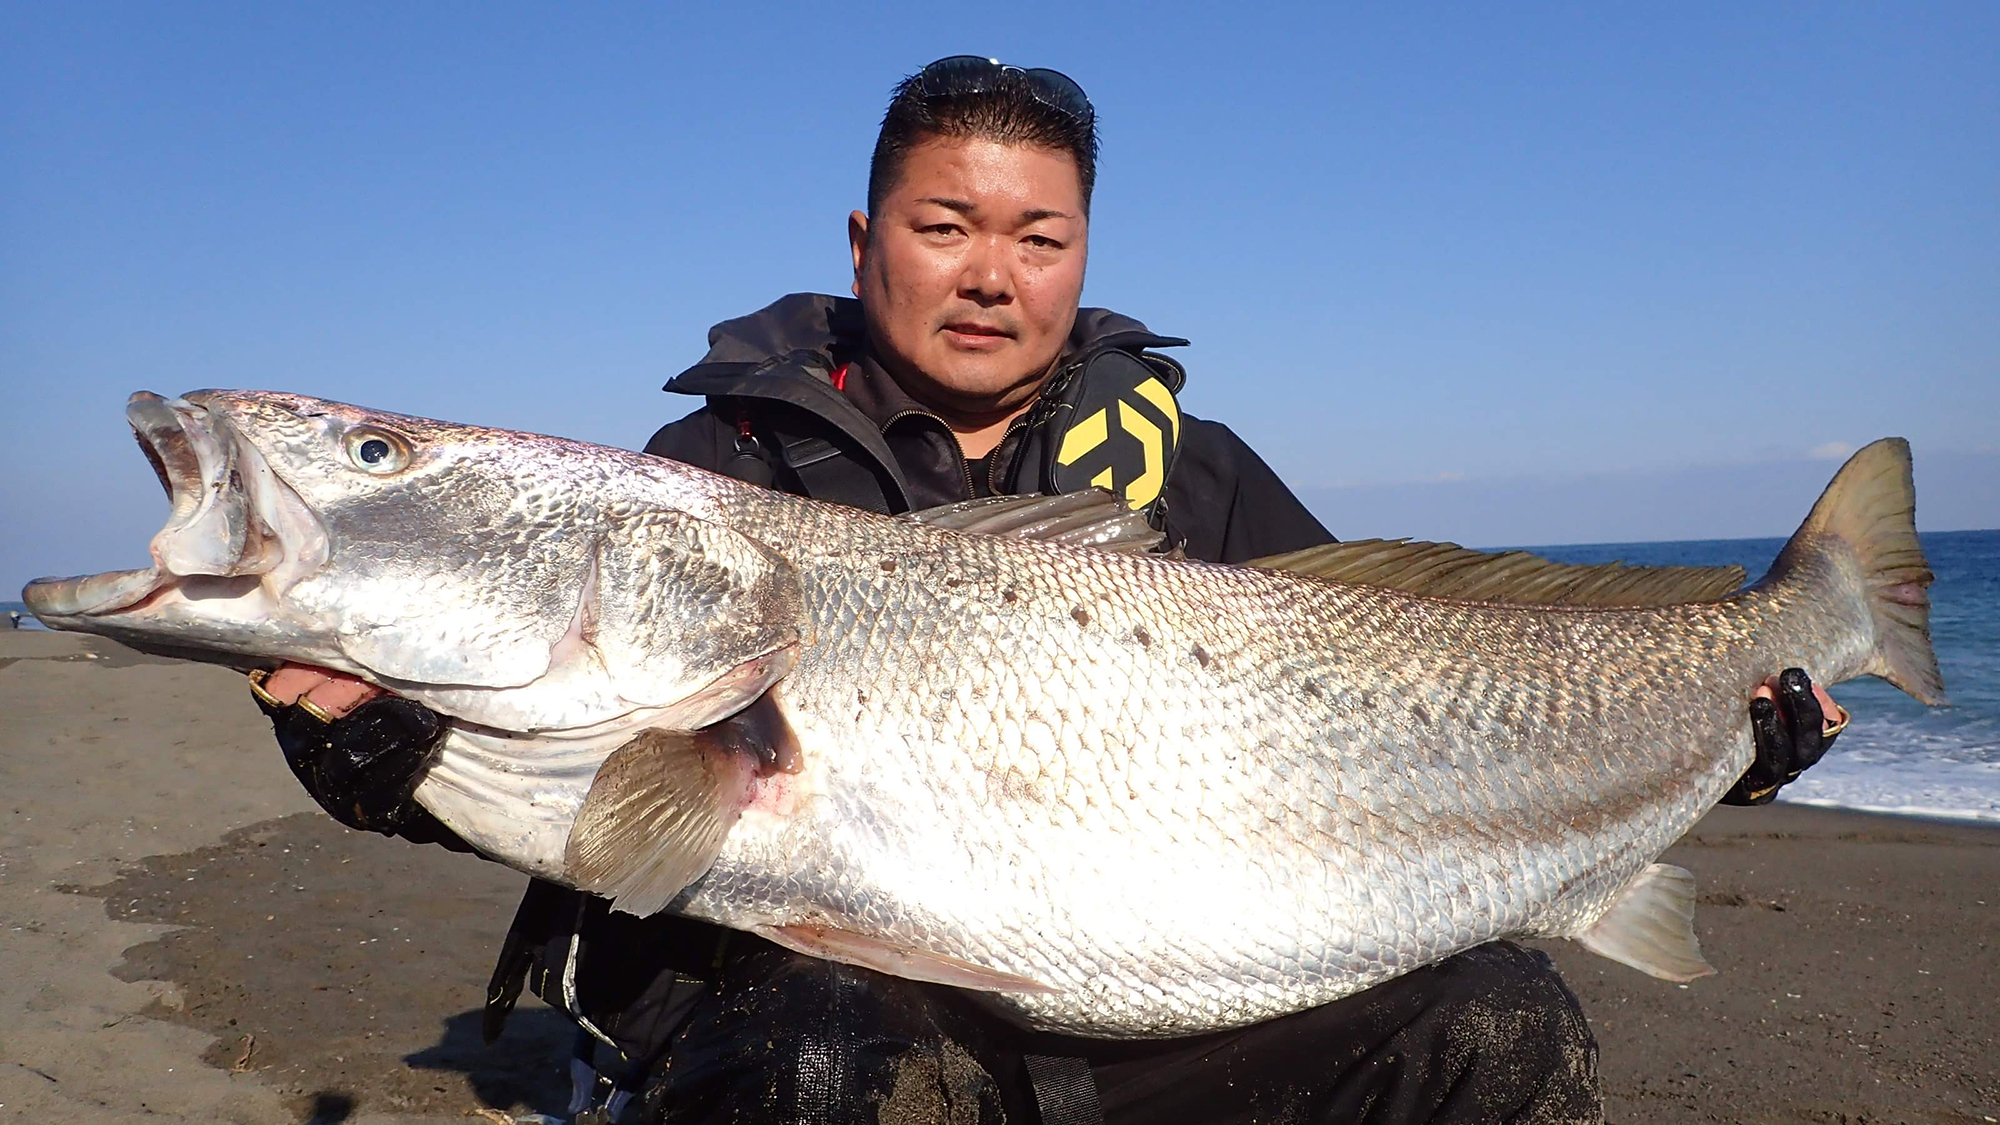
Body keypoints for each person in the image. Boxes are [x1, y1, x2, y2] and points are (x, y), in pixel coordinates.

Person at [253, 58, 1848, 1125]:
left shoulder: (1199, 471)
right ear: (869, 238)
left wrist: (1720, 727)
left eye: (1039, 234)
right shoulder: (715, 471)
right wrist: (389, 764)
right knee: (821, 1054)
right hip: (828, 1003)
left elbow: (1421, 685)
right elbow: (582, 763)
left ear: (1084, 256)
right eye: (946, 225)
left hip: (1166, 1009)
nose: (991, 273)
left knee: (1503, 1015)